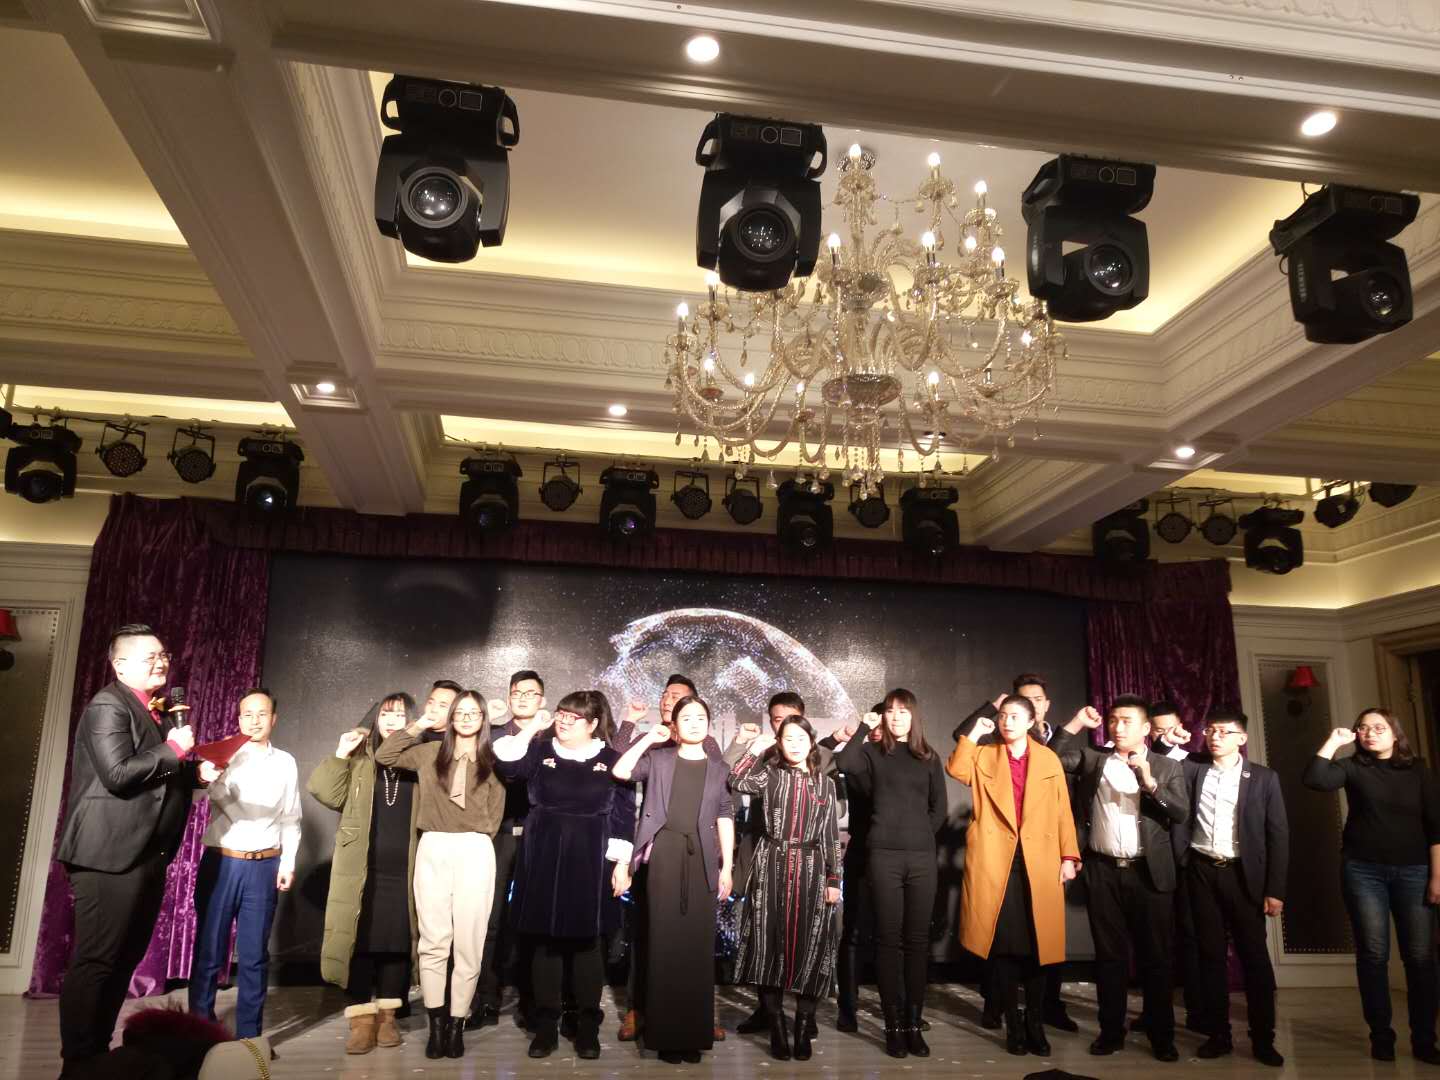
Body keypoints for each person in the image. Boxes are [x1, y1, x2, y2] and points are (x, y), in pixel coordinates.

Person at [55, 624, 215, 1074]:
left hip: (146, 854)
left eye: (164, 655)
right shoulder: (108, 705)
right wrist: (174, 750)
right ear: (120, 665)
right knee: (97, 960)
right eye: (150, 657)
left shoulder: (153, 711)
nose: (161, 663)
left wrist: (194, 774)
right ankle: (78, 1063)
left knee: (123, 959)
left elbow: (155, 776)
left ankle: (97, 1053)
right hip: (107, 854)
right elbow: (119, 773)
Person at [493, 691, 636, 1060]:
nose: (564, 721)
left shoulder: (611, 759)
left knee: (588, 945)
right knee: (545, 943)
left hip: (592, 856)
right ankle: (545, 1026)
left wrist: (621, 864)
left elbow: (623, 814)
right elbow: (508, 766)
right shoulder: (540, 750)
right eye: (561, 713)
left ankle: (586, 1026)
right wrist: (531, 731)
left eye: (575, 717)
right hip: (543, 852)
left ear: (593, 724)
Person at [1052, 696, 1187, 1062]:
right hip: (1103, 871)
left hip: (1149, 873)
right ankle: (1111, 1032)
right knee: (1109, 957)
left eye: (1126, 721)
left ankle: (1161, 1036)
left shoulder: (1166, 765)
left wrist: (1149, 782)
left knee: (1155, 958)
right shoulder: (1093, 758)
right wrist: (1076, 724)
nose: (1117, 727)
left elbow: (1179, 812)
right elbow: (1048, 757)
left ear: (1146, 728)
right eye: (1113, 720)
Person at [1304, 708, 1440, 1064]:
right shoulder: (1352, 767)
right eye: (1362, 728)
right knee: (1373, 955)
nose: (1369, 733)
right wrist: (1333, 741)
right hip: (1363, 871)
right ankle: (1381, 1037)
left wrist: (1437, 876)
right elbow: (1315, 778)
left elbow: (1436, 825)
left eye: (1378, 728)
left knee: (1420, 957)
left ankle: (1425, 1040)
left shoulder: (1418, 769)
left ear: (1395, 733)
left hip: (1415, 871)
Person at [947, 695, 1080, 1057]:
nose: (1007, 721)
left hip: (1041, 859)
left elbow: (1062, 810)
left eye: (1015, 716)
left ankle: (1035, 1022)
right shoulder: (984, 754)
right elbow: (956, 770)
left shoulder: (1048, 758)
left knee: (1040, 945)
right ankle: (1013, 1024)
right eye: (1003, 715)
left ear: (1031, 721)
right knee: (1004, 946)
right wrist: (975, 733)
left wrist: (1069, 855)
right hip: (996, 859)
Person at [376, 689, 504, 1061]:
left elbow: (496, 810)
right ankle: (435, 1025)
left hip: (475, 849)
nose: (465, 718)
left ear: (483, 719)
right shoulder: (430, 752)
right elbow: (386, 755)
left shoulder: (493, 759)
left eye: (473, 713)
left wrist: (476, 838)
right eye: (458, 711)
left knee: (469, 942)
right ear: (449, 717)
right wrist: (420, 723)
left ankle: (456, 1024)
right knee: (433, 940)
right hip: (433, 845)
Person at [613, 695, 735, 1064]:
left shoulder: (719, 768)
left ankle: (693, 1035)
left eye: (701, 717)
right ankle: (665, 1036)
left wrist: (727, 866)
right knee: (663, 944)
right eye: (687, 717)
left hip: (703, 857)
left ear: (708, 725)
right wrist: (649, 739)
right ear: (675, 726)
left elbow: (725, 815)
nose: (695, 723)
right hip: (664, 853)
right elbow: (621, 771)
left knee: (697, 948)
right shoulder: (660, 759)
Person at [834, 689, 948, 1057]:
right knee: (887, 940)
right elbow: (844, 762)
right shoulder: (871, 752)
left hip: (921, 858)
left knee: (917, 941)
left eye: (903, 711)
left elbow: (939, 810)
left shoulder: (928, 757)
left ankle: (914, 1023)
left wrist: (918, 835)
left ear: (914, 716)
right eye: (890, 711)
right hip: (883, 857)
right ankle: (893, 1025)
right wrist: (862, 727)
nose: (896, 716)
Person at [307, 693, 421, 1056]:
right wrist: (342, 752)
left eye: (400, 715)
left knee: (397, 942)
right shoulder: (360, 759)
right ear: (375, 719)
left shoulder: (419, 760)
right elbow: (325, 793)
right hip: (362, 869)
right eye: (386, 714)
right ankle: (360, 1021)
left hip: (406, 869)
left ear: (411, 721)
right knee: (360, 940)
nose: (392, 721)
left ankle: (388, 1018)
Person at [1174, 709, 1288, 1068]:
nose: (1215, 737)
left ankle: (1263, 1039)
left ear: (1242, 738)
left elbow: (1278, 835)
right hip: (1201, 871)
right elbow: (1161, 766)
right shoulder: (1192, 767)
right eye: (1210, 730)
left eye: (1224, 732)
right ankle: (1217, 1035)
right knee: (1209, 956)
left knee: (1254, 957)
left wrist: (1275, 889)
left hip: (1244, 876)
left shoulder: (1264, 778)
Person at [188, 689, 301, 1040]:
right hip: (222, 862)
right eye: (247, 714)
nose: (254, 720)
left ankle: (250, 1039)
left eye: (262, 713)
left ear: (274, 719)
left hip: (264, 866)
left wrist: (288, 863)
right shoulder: (222, 756)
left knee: (254, 956)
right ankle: (200, 1033)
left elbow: (291, 818)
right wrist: (205, 775)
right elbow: (194, 796)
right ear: (238, 719)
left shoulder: (285, 762)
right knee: (209, 951)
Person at [728, 691, 840, 1038]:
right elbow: (736, 780)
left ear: (811, 742)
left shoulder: (826, 784)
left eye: (800, 738)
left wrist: (833, 878)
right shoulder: (770, 775)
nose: (794, 744)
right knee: (767, 941)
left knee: (811, 943)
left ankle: (805, 1023)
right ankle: (775, 1024)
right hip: (771, 863)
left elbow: (830, 835)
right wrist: (753, 750)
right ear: (778, 742)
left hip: (811, 866)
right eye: (787, 738)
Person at [472, 670, 545, 1030]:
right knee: (490, 918)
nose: (523, 698)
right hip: (497, 832)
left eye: (531, 693)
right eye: (517, 693)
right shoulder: (495, 734)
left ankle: (532, 1002)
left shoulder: (553, 736)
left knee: (535, 920)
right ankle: (486, 997)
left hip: (539, 835)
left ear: (542, 700)